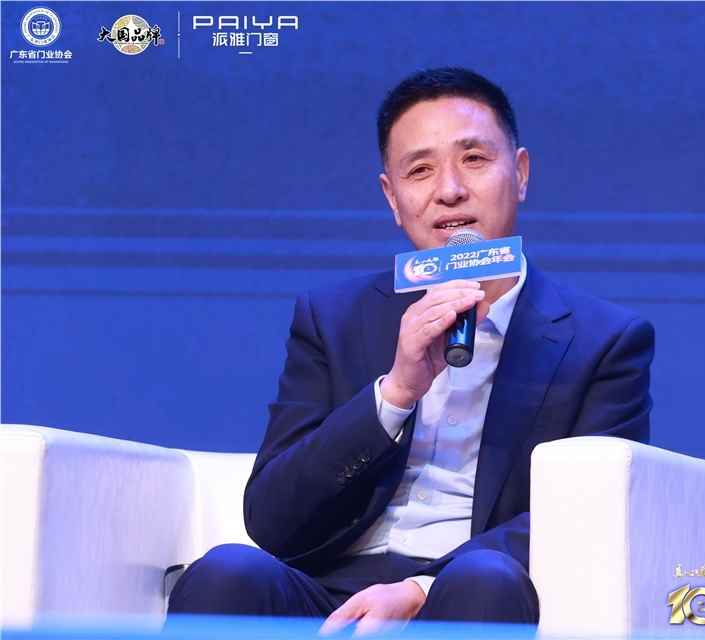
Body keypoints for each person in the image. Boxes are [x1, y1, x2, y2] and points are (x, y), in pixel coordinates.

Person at [167, 67, 654, 633]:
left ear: (520, 173)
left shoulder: (603, 341)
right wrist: (395, 392)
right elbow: (272, 519)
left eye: (474, 159)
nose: (449, 190)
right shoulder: (332, 317)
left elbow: (584, 513)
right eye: (420, 170)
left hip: (465, 590)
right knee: (226, 573)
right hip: (330, 590)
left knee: (484, 582)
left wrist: (420, 589)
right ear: (392, 198)